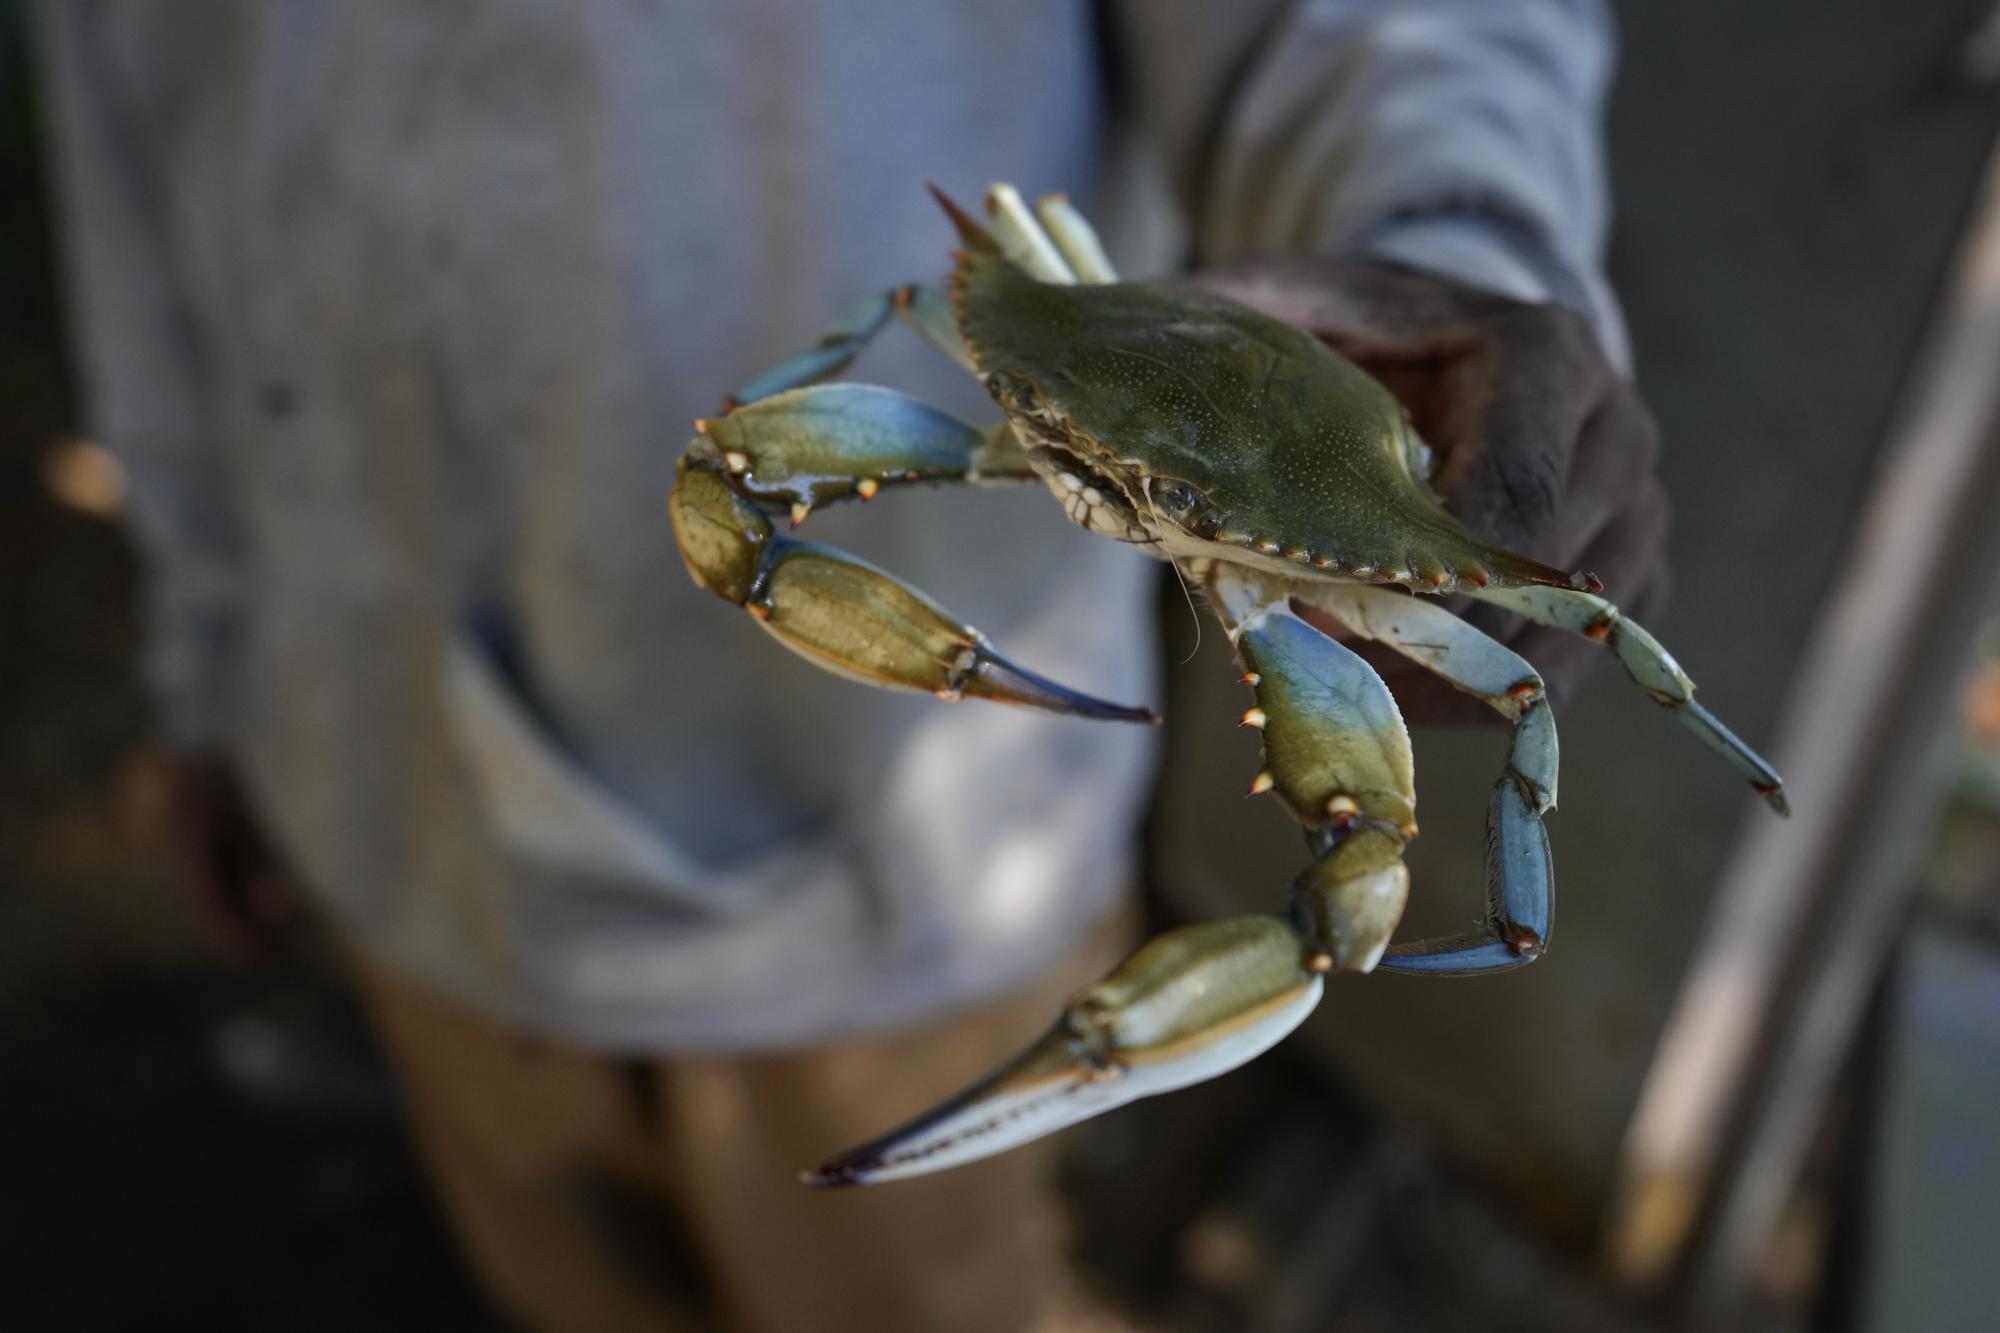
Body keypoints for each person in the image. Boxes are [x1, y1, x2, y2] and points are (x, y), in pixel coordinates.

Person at [33, 1, 1665, 1329]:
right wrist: (215, 658)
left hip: (905, 913)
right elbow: (135, 181)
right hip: (376, 790)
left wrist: (1455, 231)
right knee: (557, 1279)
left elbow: (1388, 25)